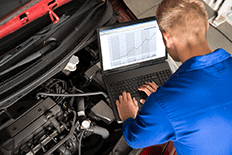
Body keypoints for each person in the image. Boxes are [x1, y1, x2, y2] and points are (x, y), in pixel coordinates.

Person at [116, 0, 232, 154]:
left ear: (167, 38)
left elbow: (135, 139)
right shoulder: (167, 102)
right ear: (206, 25)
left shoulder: (165, 103)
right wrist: (166, 101)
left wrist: (128, 116)